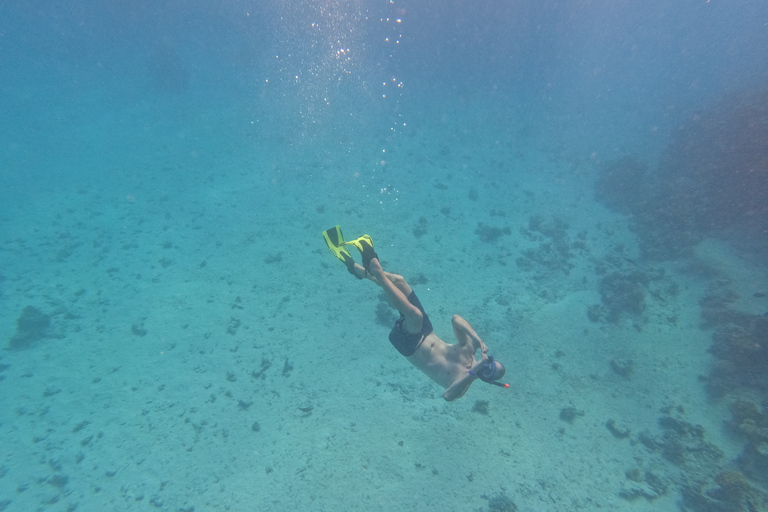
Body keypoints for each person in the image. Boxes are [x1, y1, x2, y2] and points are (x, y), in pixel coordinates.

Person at [322, 226, 508, 401]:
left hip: (410, 345)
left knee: (415, 315)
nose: (487, 366)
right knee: (399, 281)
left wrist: (473, 372)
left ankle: (375, 270)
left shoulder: (463, 384)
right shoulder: (469, 350)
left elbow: (447, 396)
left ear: (488, 379)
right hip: (424, 330)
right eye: (491, 363)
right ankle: (356, 269)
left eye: (490, 370)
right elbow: (456, 319)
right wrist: (476, 338)